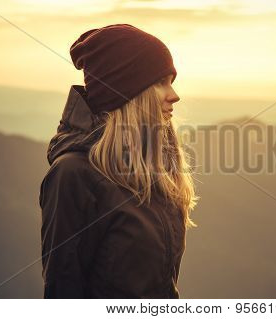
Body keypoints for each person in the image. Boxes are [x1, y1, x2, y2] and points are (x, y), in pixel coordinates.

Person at [39, 24, 198, 298]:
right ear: (126, 93)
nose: (174, 95)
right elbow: (62, 294)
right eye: (161, 82)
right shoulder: (73, 174)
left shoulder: (154, 169)